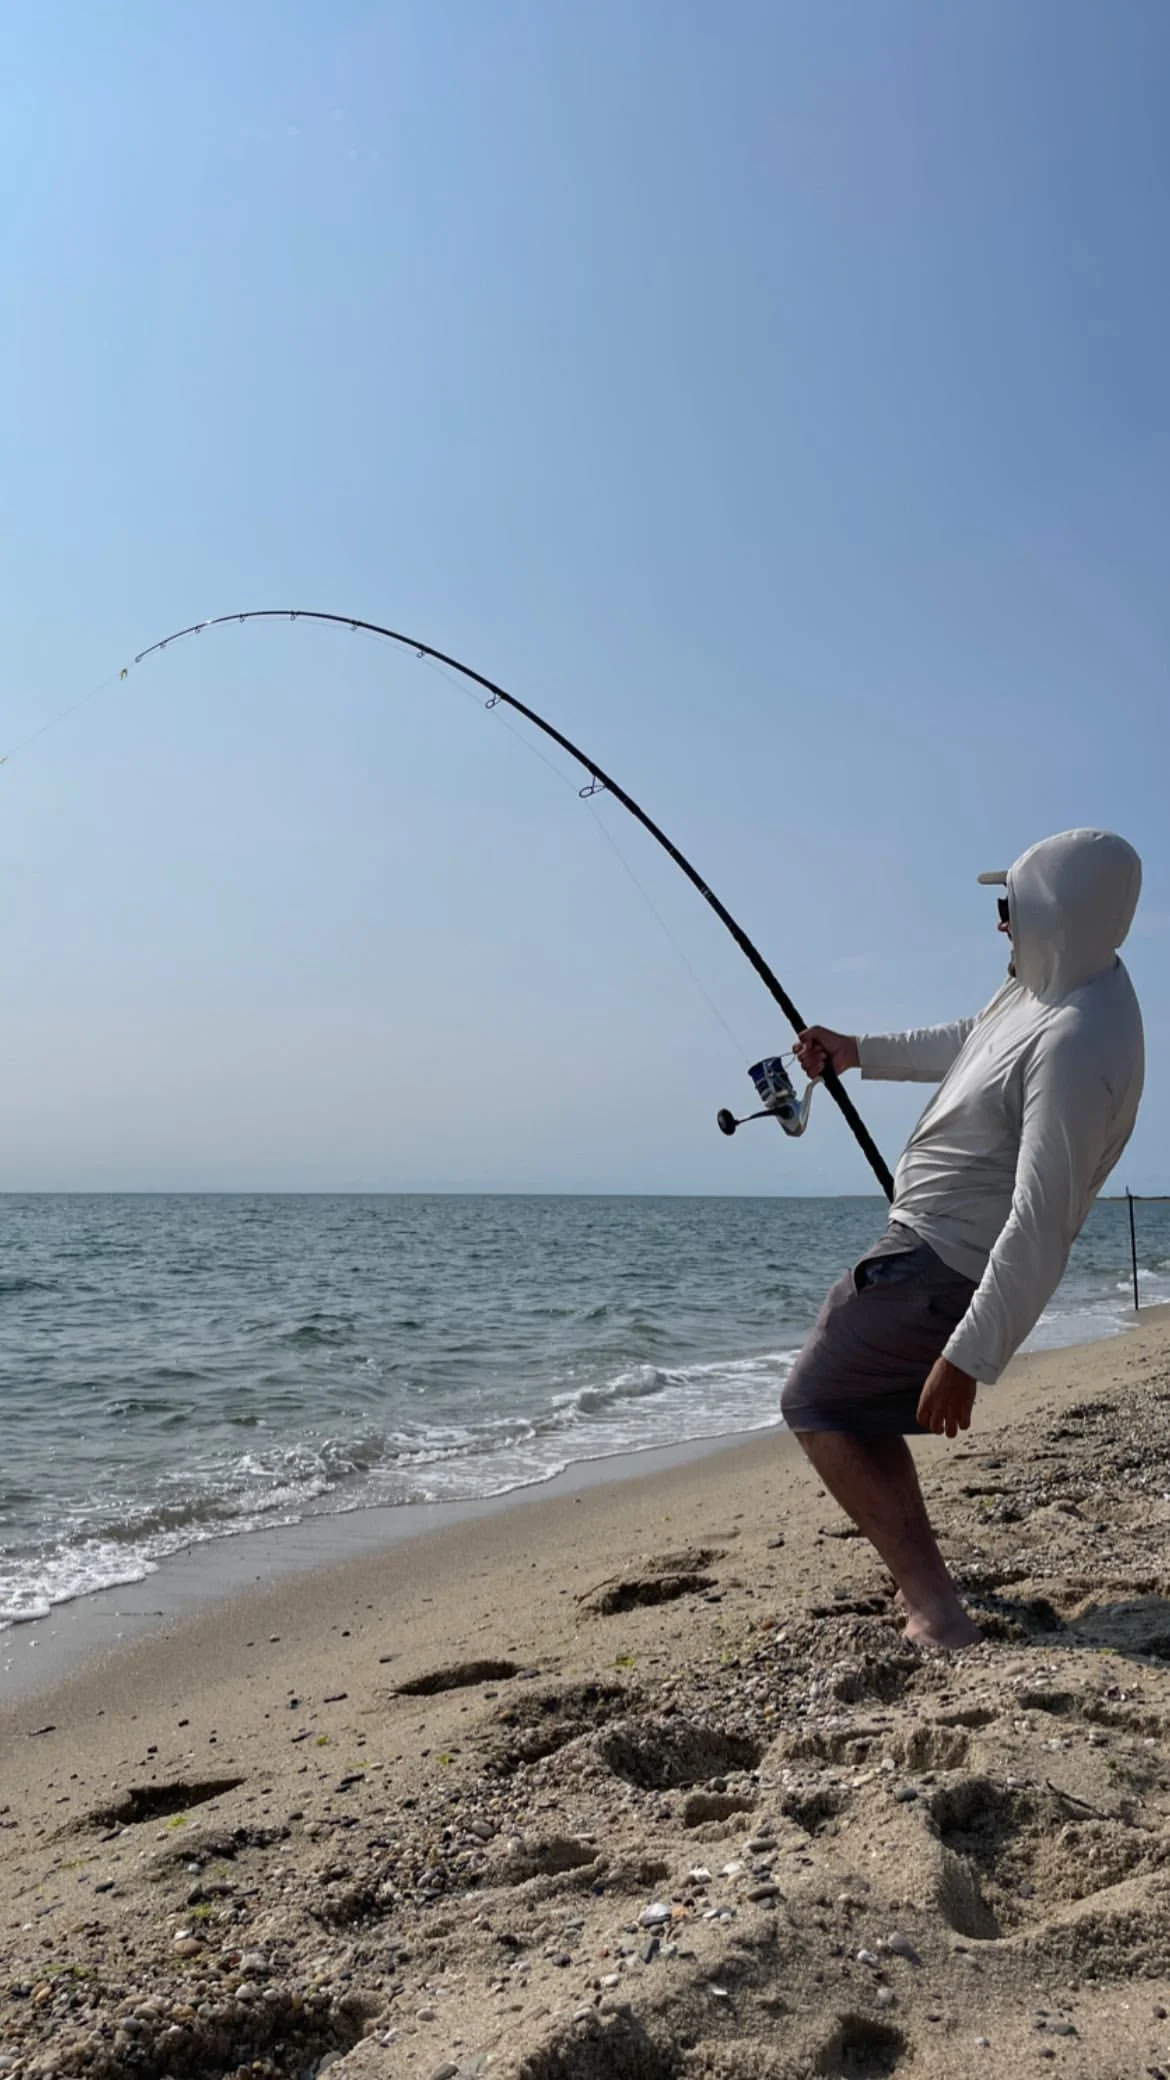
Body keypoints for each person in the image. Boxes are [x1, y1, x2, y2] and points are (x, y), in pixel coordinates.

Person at [784, 827, 1144, 1651]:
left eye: (1009, 908)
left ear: (1052, 916)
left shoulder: (1078, 1040)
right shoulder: (1044, 985)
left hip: (940, 1270)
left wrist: (970, 1354)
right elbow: (968, 1043)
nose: (1000, 925)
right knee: (851, 1403)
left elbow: (1042, 1218)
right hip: (924, 1249)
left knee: (813, 1403)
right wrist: (857, 1053)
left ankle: (937, 1613)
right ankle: (932, 1595)